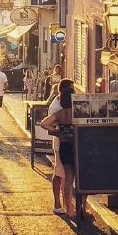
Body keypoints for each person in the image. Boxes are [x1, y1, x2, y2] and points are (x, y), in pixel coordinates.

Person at [41, 79, 75, 218]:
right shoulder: (76, 112)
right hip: (74, 145)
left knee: (68, 178)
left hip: (64, 145)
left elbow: (44, 123)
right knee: (73, 178)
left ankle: (69, 208)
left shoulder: (60, 113)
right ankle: (68, 206)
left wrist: (58, 131)